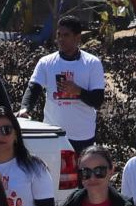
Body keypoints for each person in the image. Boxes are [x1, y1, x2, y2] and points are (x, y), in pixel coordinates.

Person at [28, 14, 105, 151]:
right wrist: (25, 108)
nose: (61, 39)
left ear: (77, 38)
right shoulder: (46, 62)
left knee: (80, 173)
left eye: (66, 35)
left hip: (83, 136)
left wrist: (78, 91)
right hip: (53, 135)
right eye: (59, 35)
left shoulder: (92, 63)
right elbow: (34, 87)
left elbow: (97, 100)